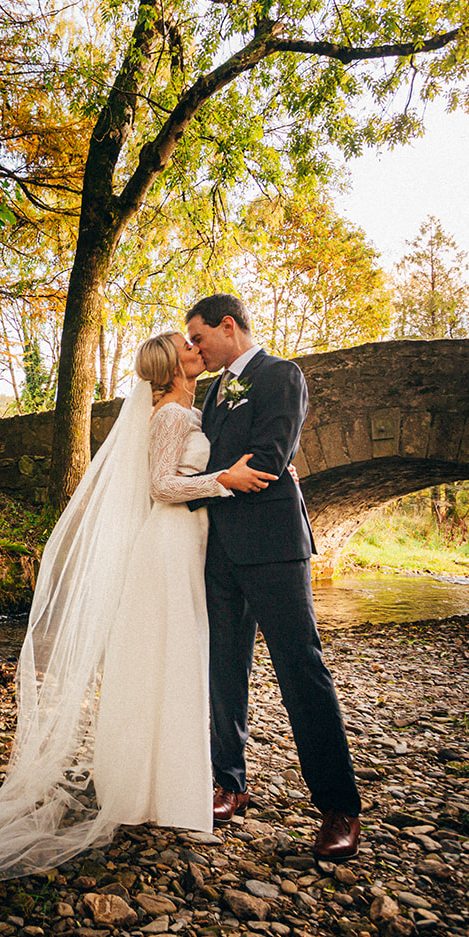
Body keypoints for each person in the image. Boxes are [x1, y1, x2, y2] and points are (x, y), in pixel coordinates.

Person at [0, 331, 276, 890]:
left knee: (174, 658)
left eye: (196, 342)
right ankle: (149, 786)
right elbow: (162, 486)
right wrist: (225, 479)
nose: (196, 349)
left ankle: (165, 781)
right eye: (187, 347)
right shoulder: (167, 416)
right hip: (168, 544)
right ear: (173, 365)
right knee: (168, 654)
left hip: (190, 544)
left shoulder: (191, 407)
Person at [184, 293, 362, 861]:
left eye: (199, 337)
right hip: (219, 552)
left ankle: (339, 806)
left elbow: (268, 459)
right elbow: (217, 467)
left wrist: (215, 478)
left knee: (300, 667)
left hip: (274, 546)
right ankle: (228, 783)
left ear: (228, 326)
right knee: (223, 669)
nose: (194, 348)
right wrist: (210, 481)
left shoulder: (281, 375)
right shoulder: (212, 391)